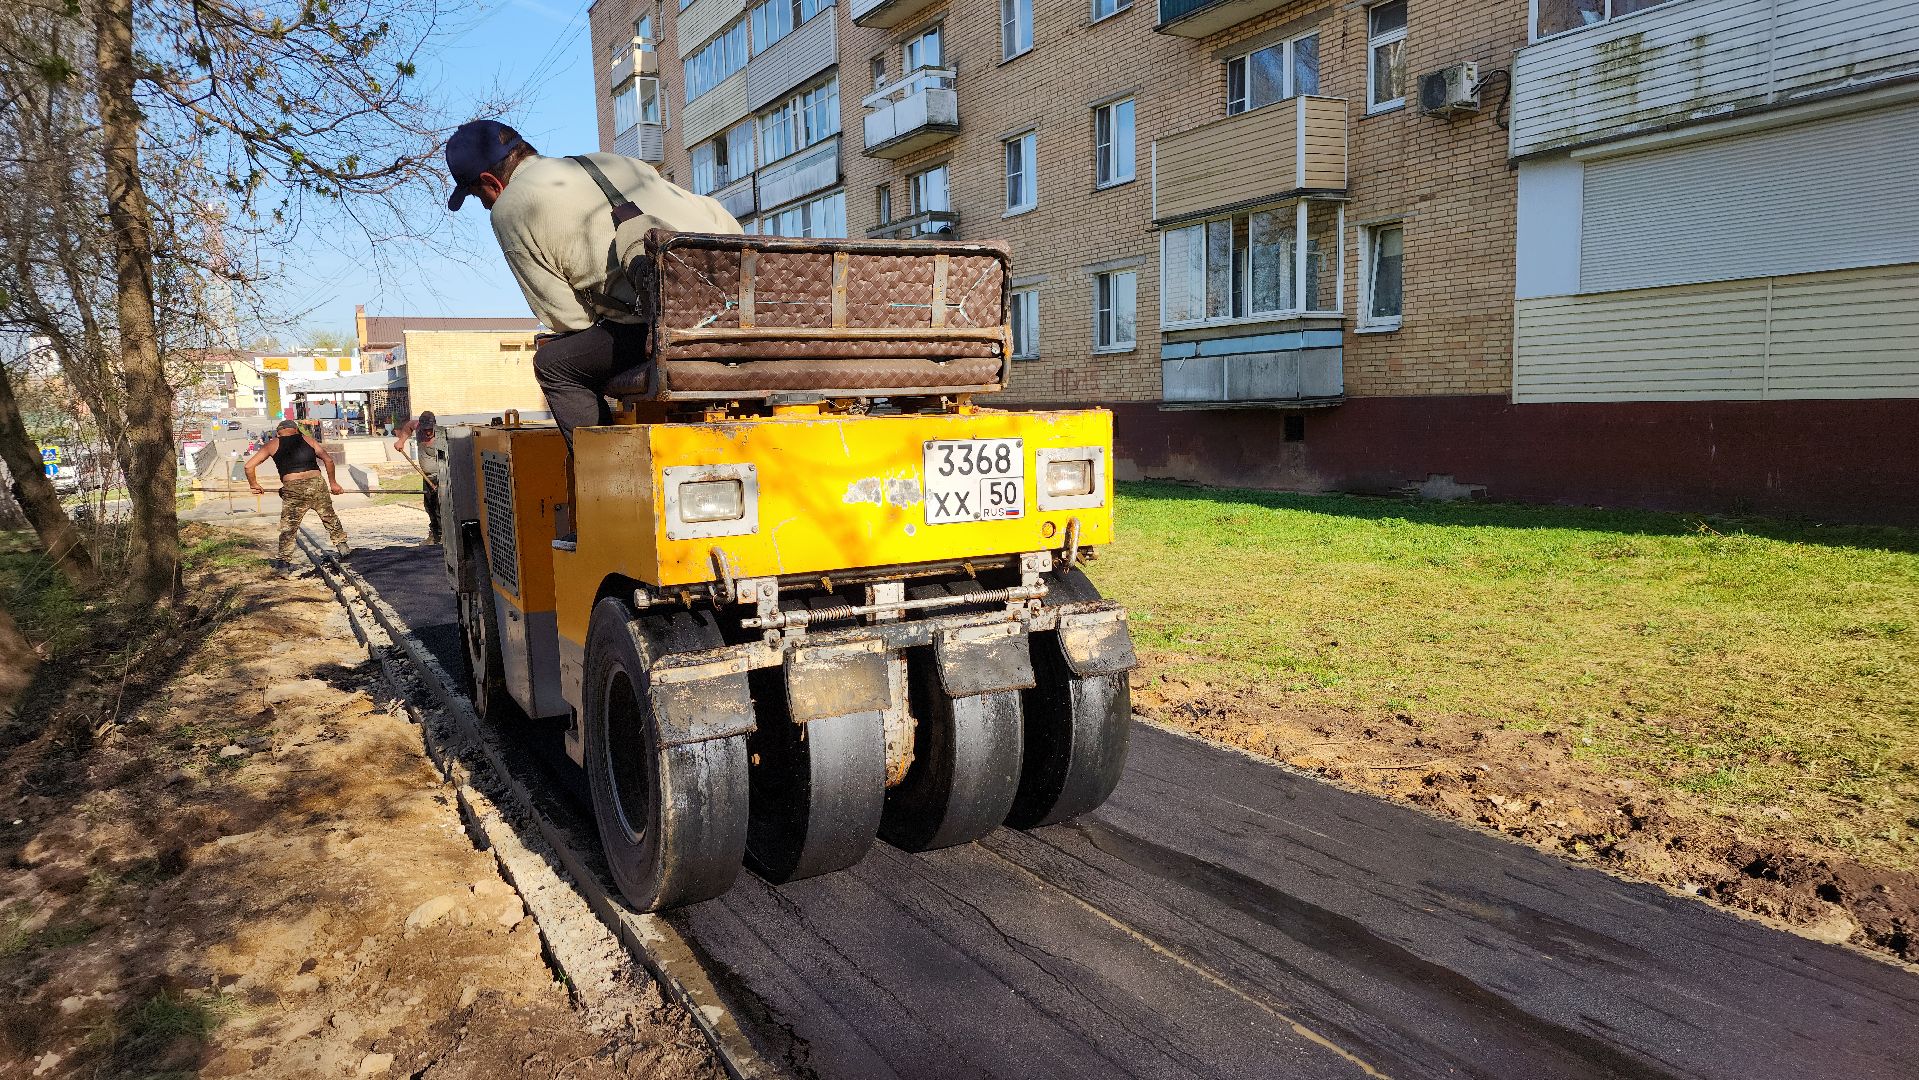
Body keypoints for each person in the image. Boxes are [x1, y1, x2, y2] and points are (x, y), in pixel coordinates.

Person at [442, 119, 741, 451]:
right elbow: (718, 217)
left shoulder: (510, 208)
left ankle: (605, 474)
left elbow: (569, 320)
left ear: (490, 181)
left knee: (554, 364)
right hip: (746, 316)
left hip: (668, 330)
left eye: (477, 195)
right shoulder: (614, 162)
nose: (484, 204)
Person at [246, 419, 349, 575]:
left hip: (292, 488)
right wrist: (333, 483)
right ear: (295, 430)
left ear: (278, 432)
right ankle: (343, 547)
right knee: (329, 516)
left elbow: (248, 466)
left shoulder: (272, 444)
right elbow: (328, 460)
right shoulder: (308, 439)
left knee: (289, 526)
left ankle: (283, 564)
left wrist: (254, 484)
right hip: (316, 484)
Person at [393, 411, 442, 546]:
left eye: (429, 430)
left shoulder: (442, 437)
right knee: (429, 507)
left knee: (440, 509)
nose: (427, 433)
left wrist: (442, 482)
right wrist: (401, 440)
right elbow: (409, 426)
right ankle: (434, 535)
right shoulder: (417, 427)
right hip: (426, 478)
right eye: (425, 429)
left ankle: (444, 537)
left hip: (441, 478)